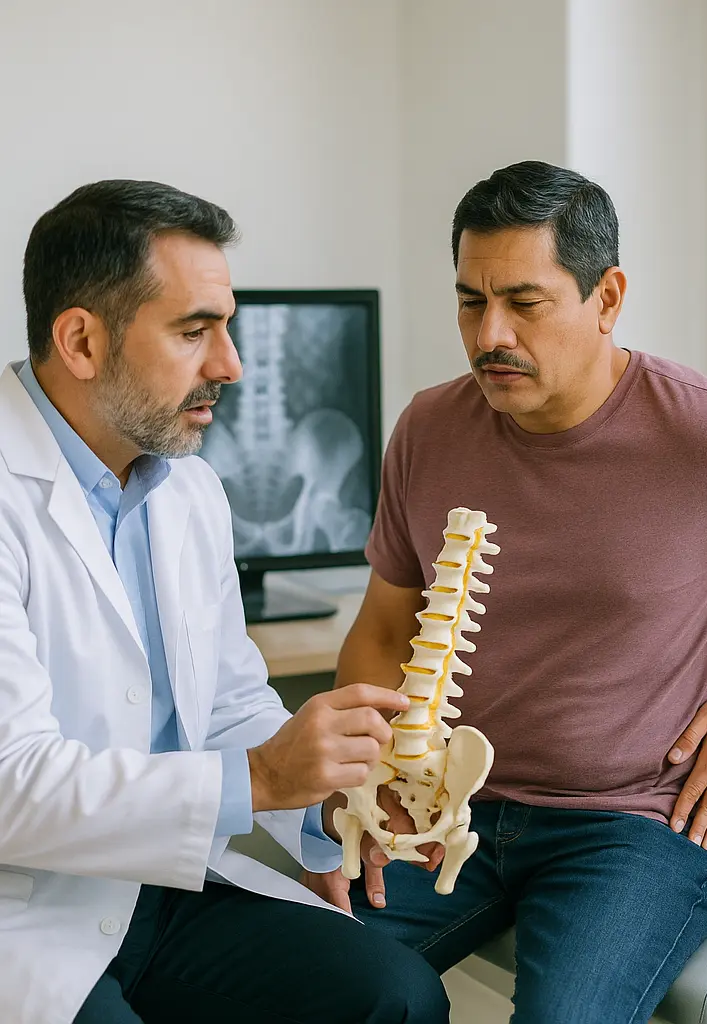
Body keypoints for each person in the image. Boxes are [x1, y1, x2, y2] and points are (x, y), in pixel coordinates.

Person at [303, 160, 707, 1024]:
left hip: (635, 826)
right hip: (450, 807)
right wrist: (364, 784)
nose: (490, 333)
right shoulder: (429, 426)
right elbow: (383, 626)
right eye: (469, 301)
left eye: (526, 303)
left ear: (607, 299)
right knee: (299, 979)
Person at [0, 180, 450, 1024]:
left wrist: (325, 801)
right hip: (25, 911)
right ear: (81, 340)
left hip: (163, 891)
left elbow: (229, 704)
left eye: (227, 327)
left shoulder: (190, 490)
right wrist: (261, 777)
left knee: (396, 998)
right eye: (193, 330)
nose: (231, 365)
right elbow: (10, 786)